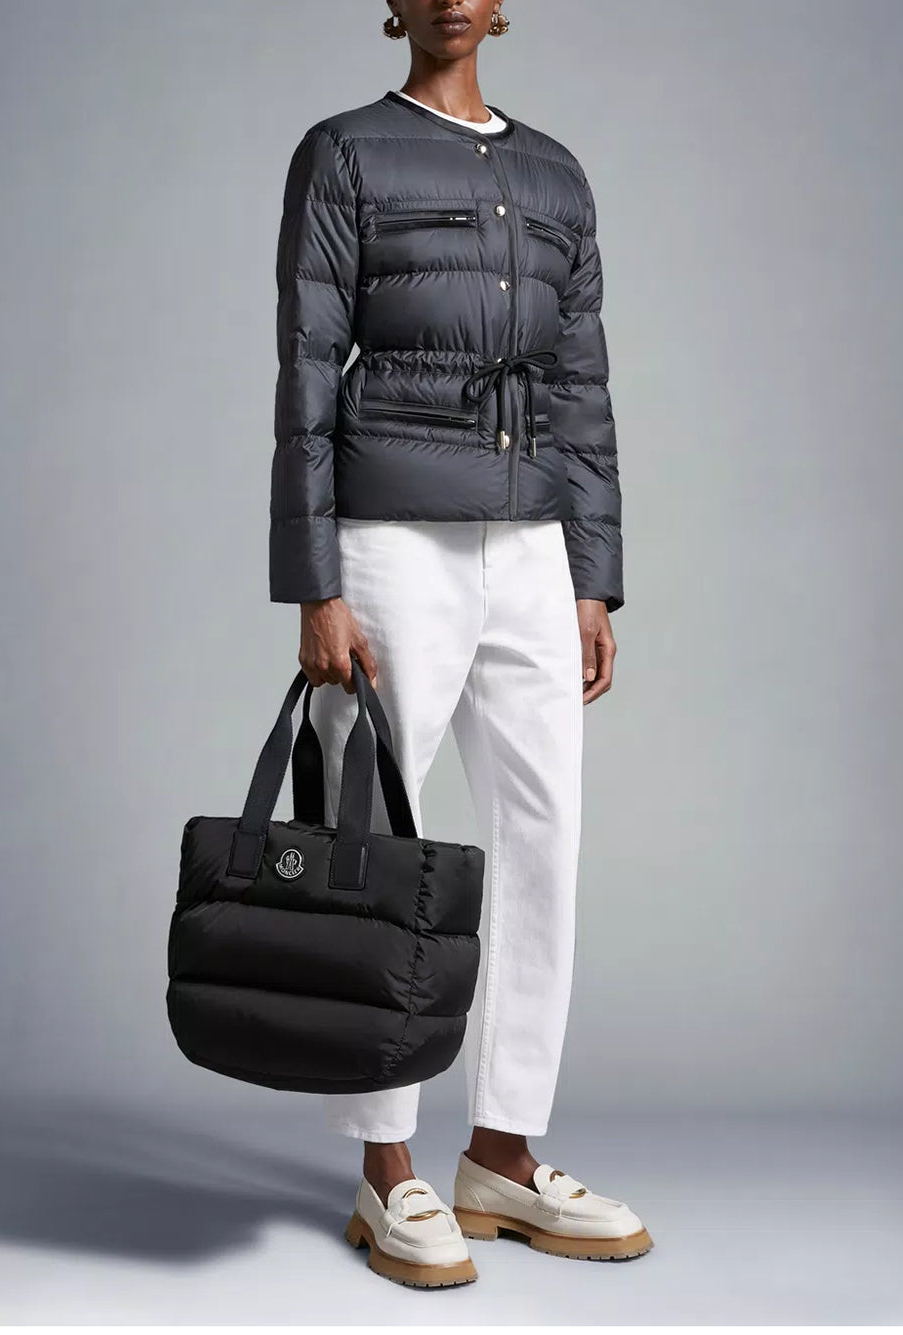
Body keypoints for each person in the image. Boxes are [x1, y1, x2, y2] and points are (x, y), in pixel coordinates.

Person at [269, 0, 653, 1287]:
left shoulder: (554, 174)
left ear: (500, 9)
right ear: (393, 7)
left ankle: (502, 1151)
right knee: (378, 843)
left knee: (544, 839)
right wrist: (315, 581)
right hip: (390, 537)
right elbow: (307, 369)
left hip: (531, 545)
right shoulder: (344, 151)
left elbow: (580, 386)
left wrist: (591, 578)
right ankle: (386, 1165)